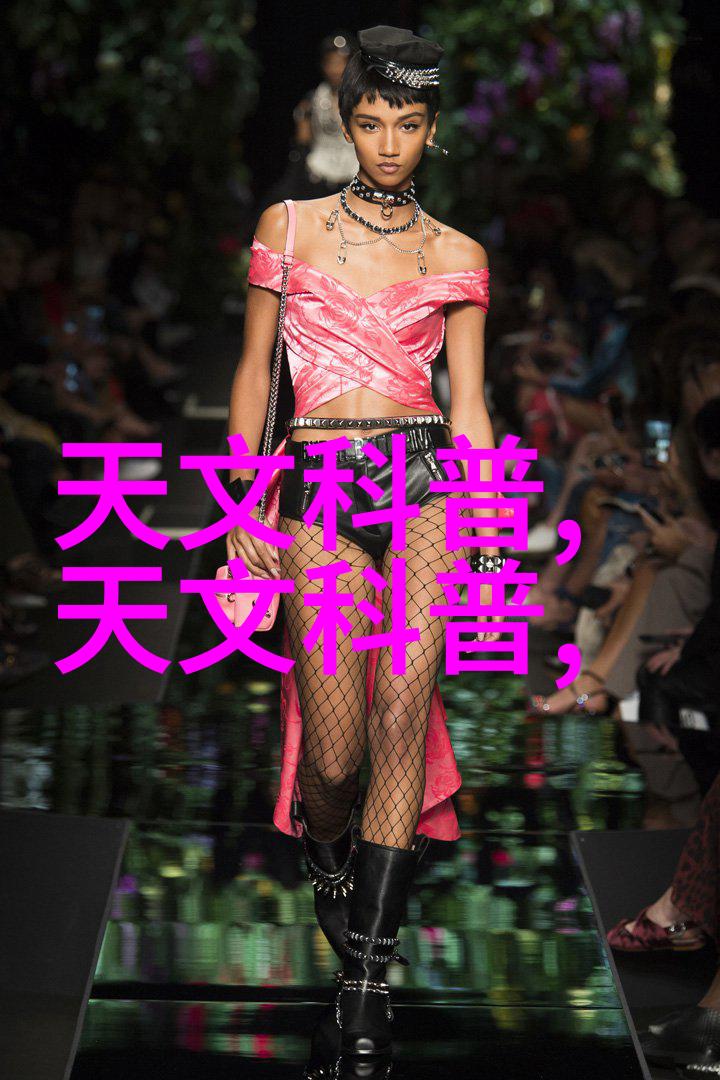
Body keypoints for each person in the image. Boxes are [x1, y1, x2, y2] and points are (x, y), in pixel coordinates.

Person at [225, 24, 502, 1067]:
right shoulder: (289, 229)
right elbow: (255, 374)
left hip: (424, 486)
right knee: (334, 757)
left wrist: (487, 518)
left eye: (409, 123)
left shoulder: (458, 254)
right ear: (348, 123)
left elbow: (468, 405)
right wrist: (245, 511)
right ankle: (329, 856)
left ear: (432, 131)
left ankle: (367, 976)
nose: (389, 142)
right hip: (321, 487)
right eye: (374, 121)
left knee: (403, 710)